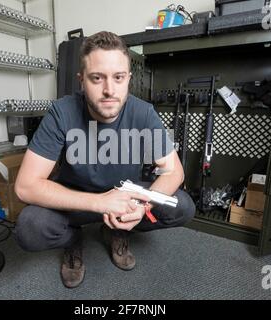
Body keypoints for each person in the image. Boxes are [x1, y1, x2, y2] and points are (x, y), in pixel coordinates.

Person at [14, 31, 195, 288]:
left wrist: (142, 207)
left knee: (182, 206)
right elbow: (26, 186)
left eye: (118, 78)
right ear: (82, 81)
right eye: (97, 78)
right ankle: (72, 240)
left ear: (128, 79)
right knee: (29, 227)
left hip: (126, 199)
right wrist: (99, 202)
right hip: (75, 200)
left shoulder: (143, 113)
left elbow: (173, 172)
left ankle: (117, 230)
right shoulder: (61, 112)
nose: (109, 90)